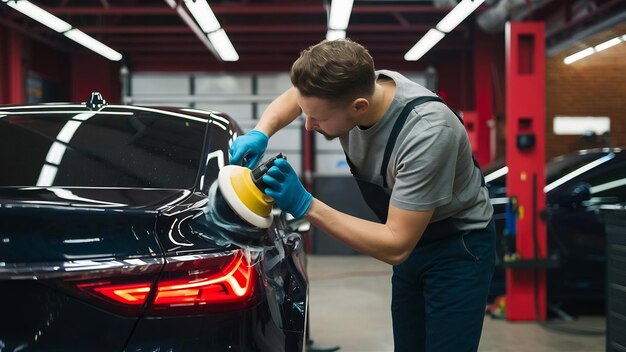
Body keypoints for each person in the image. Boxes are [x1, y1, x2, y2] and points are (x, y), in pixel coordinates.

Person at [229, 38, 495, 352]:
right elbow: (297, 98)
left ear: (359, 108)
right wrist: (263, 130)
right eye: (306, 113)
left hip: (458, 248)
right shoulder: (351, 86)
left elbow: (396, 245)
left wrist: (306, 205)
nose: (308, 126)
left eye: (319, 118)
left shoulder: (427, 134)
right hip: (414, 243)